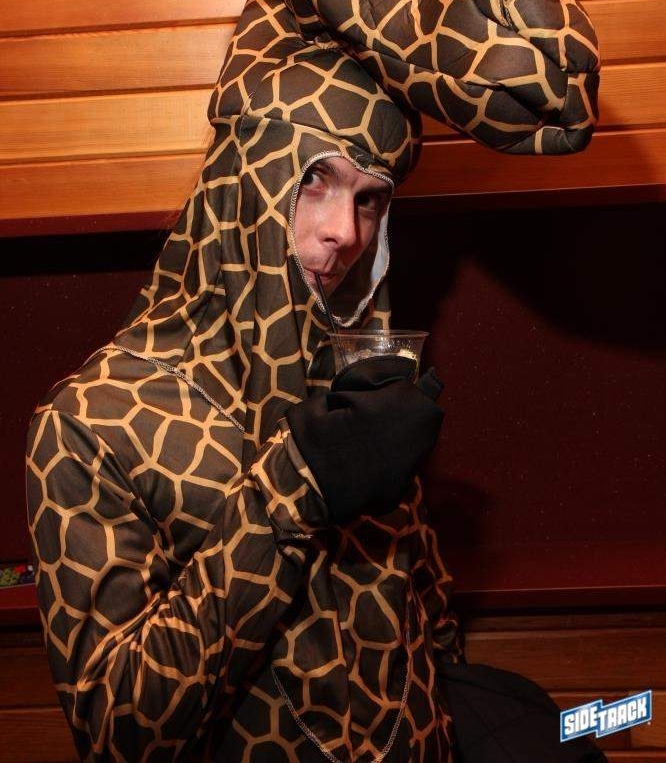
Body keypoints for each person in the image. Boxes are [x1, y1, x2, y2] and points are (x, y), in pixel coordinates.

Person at [26, 87, 465, 761]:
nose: (346, 232)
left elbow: (424, 609)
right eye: (314, 181)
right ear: (241, 186)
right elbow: (120, 733)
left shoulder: (352, 374)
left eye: (369, 199)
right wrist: (294, 486)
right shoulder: (93, 419)